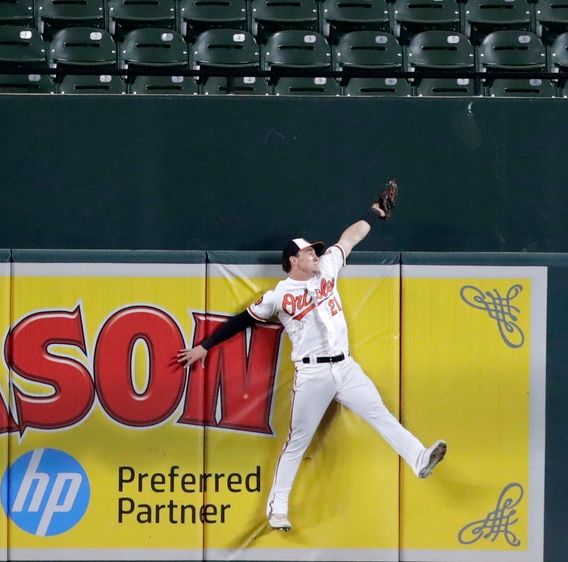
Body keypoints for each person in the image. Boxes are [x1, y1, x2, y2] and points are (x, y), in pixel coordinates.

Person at [176, 185, 446, 532]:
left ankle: (419, 458)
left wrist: (374, 213)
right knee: (297, 442)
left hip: (346, 367)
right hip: (312, 376)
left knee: (381, 416)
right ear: (293, 260)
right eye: (309, 253)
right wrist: (205, 346)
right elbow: (243, 320)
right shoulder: (278, 296)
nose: (316, 255)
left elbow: (348, 239)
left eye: (315, 252)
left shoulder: (328, 269)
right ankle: (277, 508)